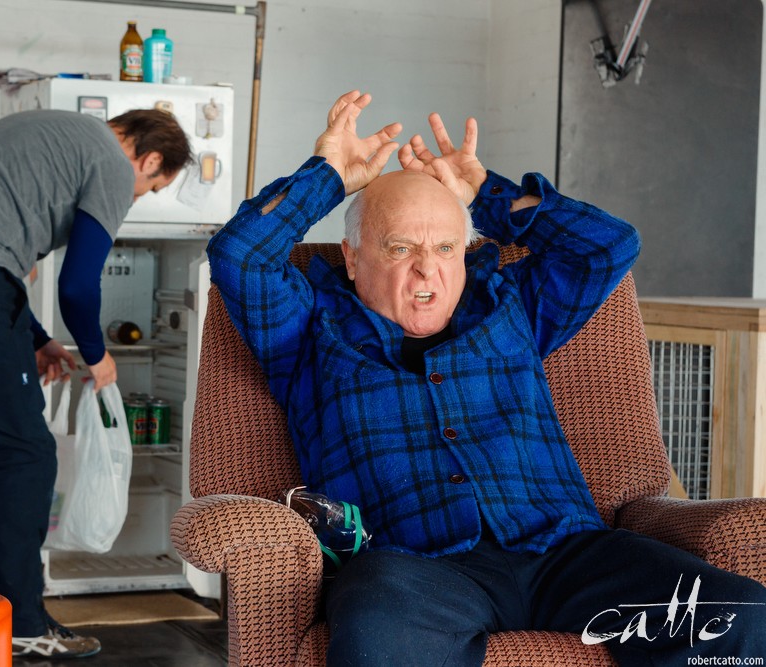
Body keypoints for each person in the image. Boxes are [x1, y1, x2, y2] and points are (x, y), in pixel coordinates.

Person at [206, 90, 766, 666]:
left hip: (568, 554)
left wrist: (485, 194)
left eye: (446, 246)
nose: (428, 268)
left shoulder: (511, 304)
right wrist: (326, 175)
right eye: (401, 247)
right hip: (417, 571)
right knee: (378, 639)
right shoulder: (307, 332)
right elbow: (240, 255)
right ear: (352, 258)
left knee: (742, 619)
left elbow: (608, 247)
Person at [0, 107, 192, 659]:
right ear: (147, 158)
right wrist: (96, 357)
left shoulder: (52, 129)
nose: (136, 195)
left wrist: (36, 336)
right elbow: (77, 284)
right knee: (23, 455)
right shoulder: (111, 161)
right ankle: (22, 620)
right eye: (149, 187)